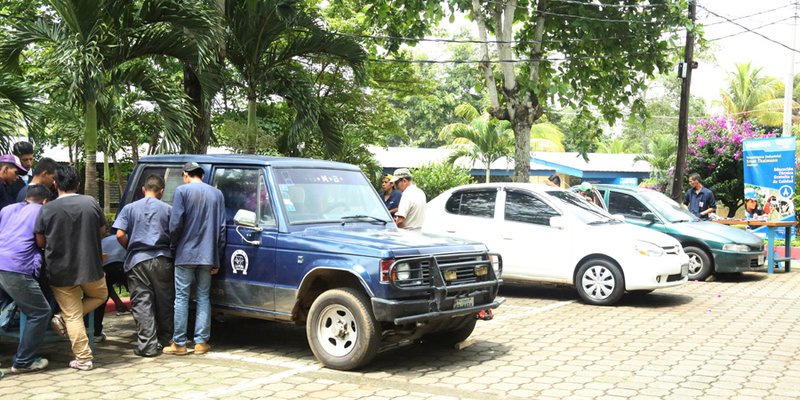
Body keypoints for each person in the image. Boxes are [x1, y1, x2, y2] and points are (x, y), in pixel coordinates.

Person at [34, 165, 107, 371]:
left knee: (72, 315)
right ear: (78, 184)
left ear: (55, 184)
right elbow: (101, 230)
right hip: (90, 267)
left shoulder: (47, 208)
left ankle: (83, 358)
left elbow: (40, 241)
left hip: (60, 270)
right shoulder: (91, 203)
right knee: (100, 295)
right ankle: (63, 320)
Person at [164, 162, 225, 356]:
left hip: (185, 254)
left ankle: (180, 343)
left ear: (186, 175)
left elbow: (175, 224)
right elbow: (222, 229)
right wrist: (218, 257)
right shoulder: (217, 194)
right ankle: (201, 342)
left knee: (181, 297)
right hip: (208, 255)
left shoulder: (182, 191)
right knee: (203, 297)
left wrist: (173, 247)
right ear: (202, 176)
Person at [114, 175, 174, 357]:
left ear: (143, 189)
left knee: (142, 302)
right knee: (165, 301)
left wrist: (131, 247)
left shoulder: (129, 208)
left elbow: (119, 234)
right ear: (161, 191)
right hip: (163, 259)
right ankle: (166, 340)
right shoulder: (168, 209)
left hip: (137, 260)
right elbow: (176, 234)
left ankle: (147, 345)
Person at [0, 185, 54, 374]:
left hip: (1, 261)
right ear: (45, 201)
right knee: (40, 312)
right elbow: (41, 241)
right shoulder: (42, 211)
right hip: (16, 267)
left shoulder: (7, 209)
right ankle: (23, 361)